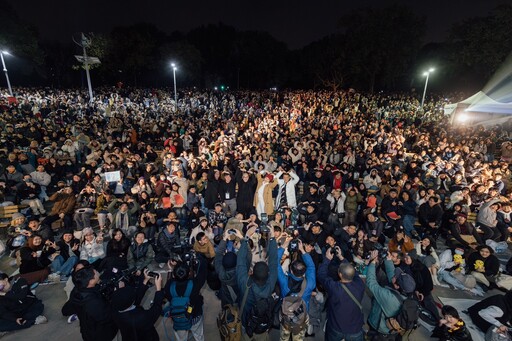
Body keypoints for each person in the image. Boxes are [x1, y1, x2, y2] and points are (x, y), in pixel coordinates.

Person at [236, 225, 278, 341]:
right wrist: (272, 238)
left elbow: (240, 263)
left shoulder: (246, 284)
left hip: (246, 322)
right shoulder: (270, 284)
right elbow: (274, 262)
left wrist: (246, 238)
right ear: (268, 274)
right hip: (262, 325)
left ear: (252, 273)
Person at [366, 249, 417, 340]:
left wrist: (372, 263)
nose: (394, 275)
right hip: (393, 330)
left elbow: (371, 283)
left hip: (380, 329)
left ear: (396, 285)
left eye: (396, 277)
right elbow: (392, 275)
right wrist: (388, 260)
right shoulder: (407, 292)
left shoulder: (389, 297)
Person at [318, 244, 365, 341]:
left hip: (336, 327)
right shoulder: (360, 285)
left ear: (340, 274)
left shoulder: (335, 287)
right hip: (355, 329)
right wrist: (341, 257)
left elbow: (321, 275)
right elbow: (354, 272)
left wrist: (327, 259)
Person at [62, 265, 118, 341]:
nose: (98, 274)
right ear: (91, 281)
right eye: (96, 274)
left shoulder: (77, 290)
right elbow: (107, 317)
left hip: (87, 330)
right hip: (100, 334)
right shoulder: (93, 302)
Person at [277, 239, 316, 341]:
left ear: (290, 270)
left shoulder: (284, 282)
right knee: (298, 337)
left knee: (284, 337)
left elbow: (275, 263)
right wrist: (303, 251)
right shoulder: (309, 284)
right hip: (301, 317)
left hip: (285, 315)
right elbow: (311, 267)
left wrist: (283, 246)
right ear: (304, 272)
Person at [111, 269, 164, 341]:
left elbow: (136, 299)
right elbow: (156, 308)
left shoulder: (116, 311)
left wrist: (145, 281)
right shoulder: (141, 317)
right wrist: (158, 289)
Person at [163, 257, 207, 341]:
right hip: (195, 316)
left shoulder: (169, 286)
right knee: (198, 334)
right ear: (189, 273)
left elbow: (168, 285)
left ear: (173, 275)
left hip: (178, 317)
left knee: (181, 337)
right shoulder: (195, 284)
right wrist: (201, 258)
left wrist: (170, 270)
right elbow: (203, 273)